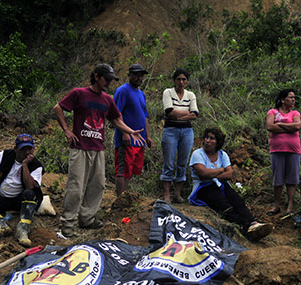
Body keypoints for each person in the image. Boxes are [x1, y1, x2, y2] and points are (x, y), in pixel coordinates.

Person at [53, 63, 145, 237]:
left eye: (111, 80)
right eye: (106, 79)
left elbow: (116, 120)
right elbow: (58, 108)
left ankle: (87, 219)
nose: (109, 83)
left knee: (98, 185)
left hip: (98, 148)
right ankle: (68, 224)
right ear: (96, 76)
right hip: (80, 147)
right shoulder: (79, 93)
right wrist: (66, 130)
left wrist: (130, 131)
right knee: (76, 186)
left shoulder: (107, 99)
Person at [189, 128, 273, 241]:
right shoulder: (197, 154)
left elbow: (229, 174)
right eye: (206, 137)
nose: (207, 140)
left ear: (218, 142)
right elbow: (203, 174)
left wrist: (212, 173)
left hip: (221, 184)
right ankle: (246, 227)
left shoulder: (222, 154)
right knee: (224, 205)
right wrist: (220, 170)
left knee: (237, 200)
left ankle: (253, 223)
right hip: (203, 187)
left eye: (211, 138)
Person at [0, 134, 43, 247]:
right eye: (23, 149)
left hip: (19, 201)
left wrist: (25, 165)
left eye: (29, 148)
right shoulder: (4, 155)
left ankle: (23, 230)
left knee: (30, 194)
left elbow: (30, 186)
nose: (26, 152)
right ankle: (0, 225)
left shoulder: (36, 166)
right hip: (1, 197)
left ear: (33, 149)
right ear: (16, 149)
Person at [113, 64, 153, 195]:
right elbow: (116, 113)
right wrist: (125, 133)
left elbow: (145, 115)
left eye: (141, 75)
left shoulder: (141, 94)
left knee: (129, 171)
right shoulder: (123, 91)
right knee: (122, 170)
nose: (139, 78)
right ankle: (120, 199)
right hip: (127, 139)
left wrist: (148, 136)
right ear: (129, 75)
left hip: (139, 140)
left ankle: (125, 197)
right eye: (136, 75)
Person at [161, 68, 198, 203]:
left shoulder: (190, 95)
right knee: (169, 163)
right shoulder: (168, 92)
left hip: (187, 132)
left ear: (187, 81)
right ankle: (166, 195)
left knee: (182, 163)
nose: (181, 82)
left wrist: (178, 115)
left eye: (183, 79)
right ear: (174, 80)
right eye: (178, 79)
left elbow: (195, 114)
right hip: (170, 130)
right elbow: (169, 111)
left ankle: (177, 194)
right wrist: (186, 115)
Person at [265, 89, 301, 216]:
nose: (293, 100)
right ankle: (276, 205)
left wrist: (279, 124)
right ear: (282, 99)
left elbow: (298, 126)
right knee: (278, 179)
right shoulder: (272, 112)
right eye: (290, 97)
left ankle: (290, 206)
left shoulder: (295, 113)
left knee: (292, 179)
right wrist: (289, 127)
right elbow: (270, 126)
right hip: (277, 150)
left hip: (294, 150)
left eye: (294, 98)